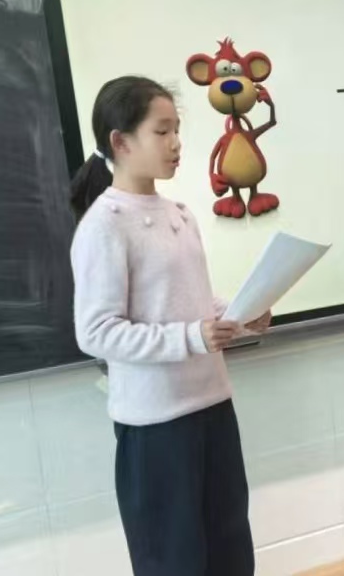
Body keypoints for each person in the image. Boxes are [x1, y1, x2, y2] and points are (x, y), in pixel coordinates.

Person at [68, 76, 269, 576]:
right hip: (156, 425)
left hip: (213, 406)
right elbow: (96, 331)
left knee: (230, 551)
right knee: (173, 562)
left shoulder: (180, 214)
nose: (176, 143)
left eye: (177, 129)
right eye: (162, 132)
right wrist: (191, 337)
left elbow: (193, 302)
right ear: (120, 141)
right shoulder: (104, 225)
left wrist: (242, 314)